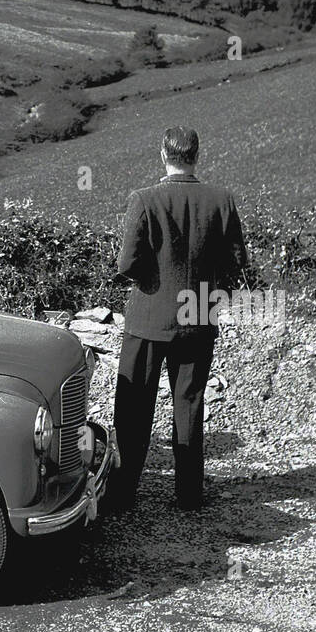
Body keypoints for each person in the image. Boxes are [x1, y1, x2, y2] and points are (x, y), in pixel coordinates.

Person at [107, 126, 248, 514]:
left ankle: (123, 494)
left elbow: (126, 264)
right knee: (189, 403)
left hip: (149, 316)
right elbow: (237, 263)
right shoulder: (222, 199)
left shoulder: (144, 200)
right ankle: (189, 495)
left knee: (135, 406)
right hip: (200, 313)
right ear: (196, 155)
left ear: (162, 154)